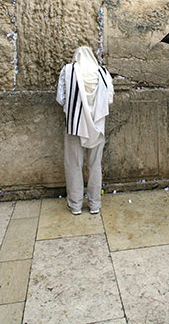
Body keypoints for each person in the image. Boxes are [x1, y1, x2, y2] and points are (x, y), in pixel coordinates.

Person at [56, 46, 114, 215]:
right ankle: (95, 205)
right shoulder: (102, 72)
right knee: (95, 164)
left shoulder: (68, 71)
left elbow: (61, 98)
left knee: (74, 164)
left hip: (75, 125)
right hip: (97, 126)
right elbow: (109, 98)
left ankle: (75, 205)